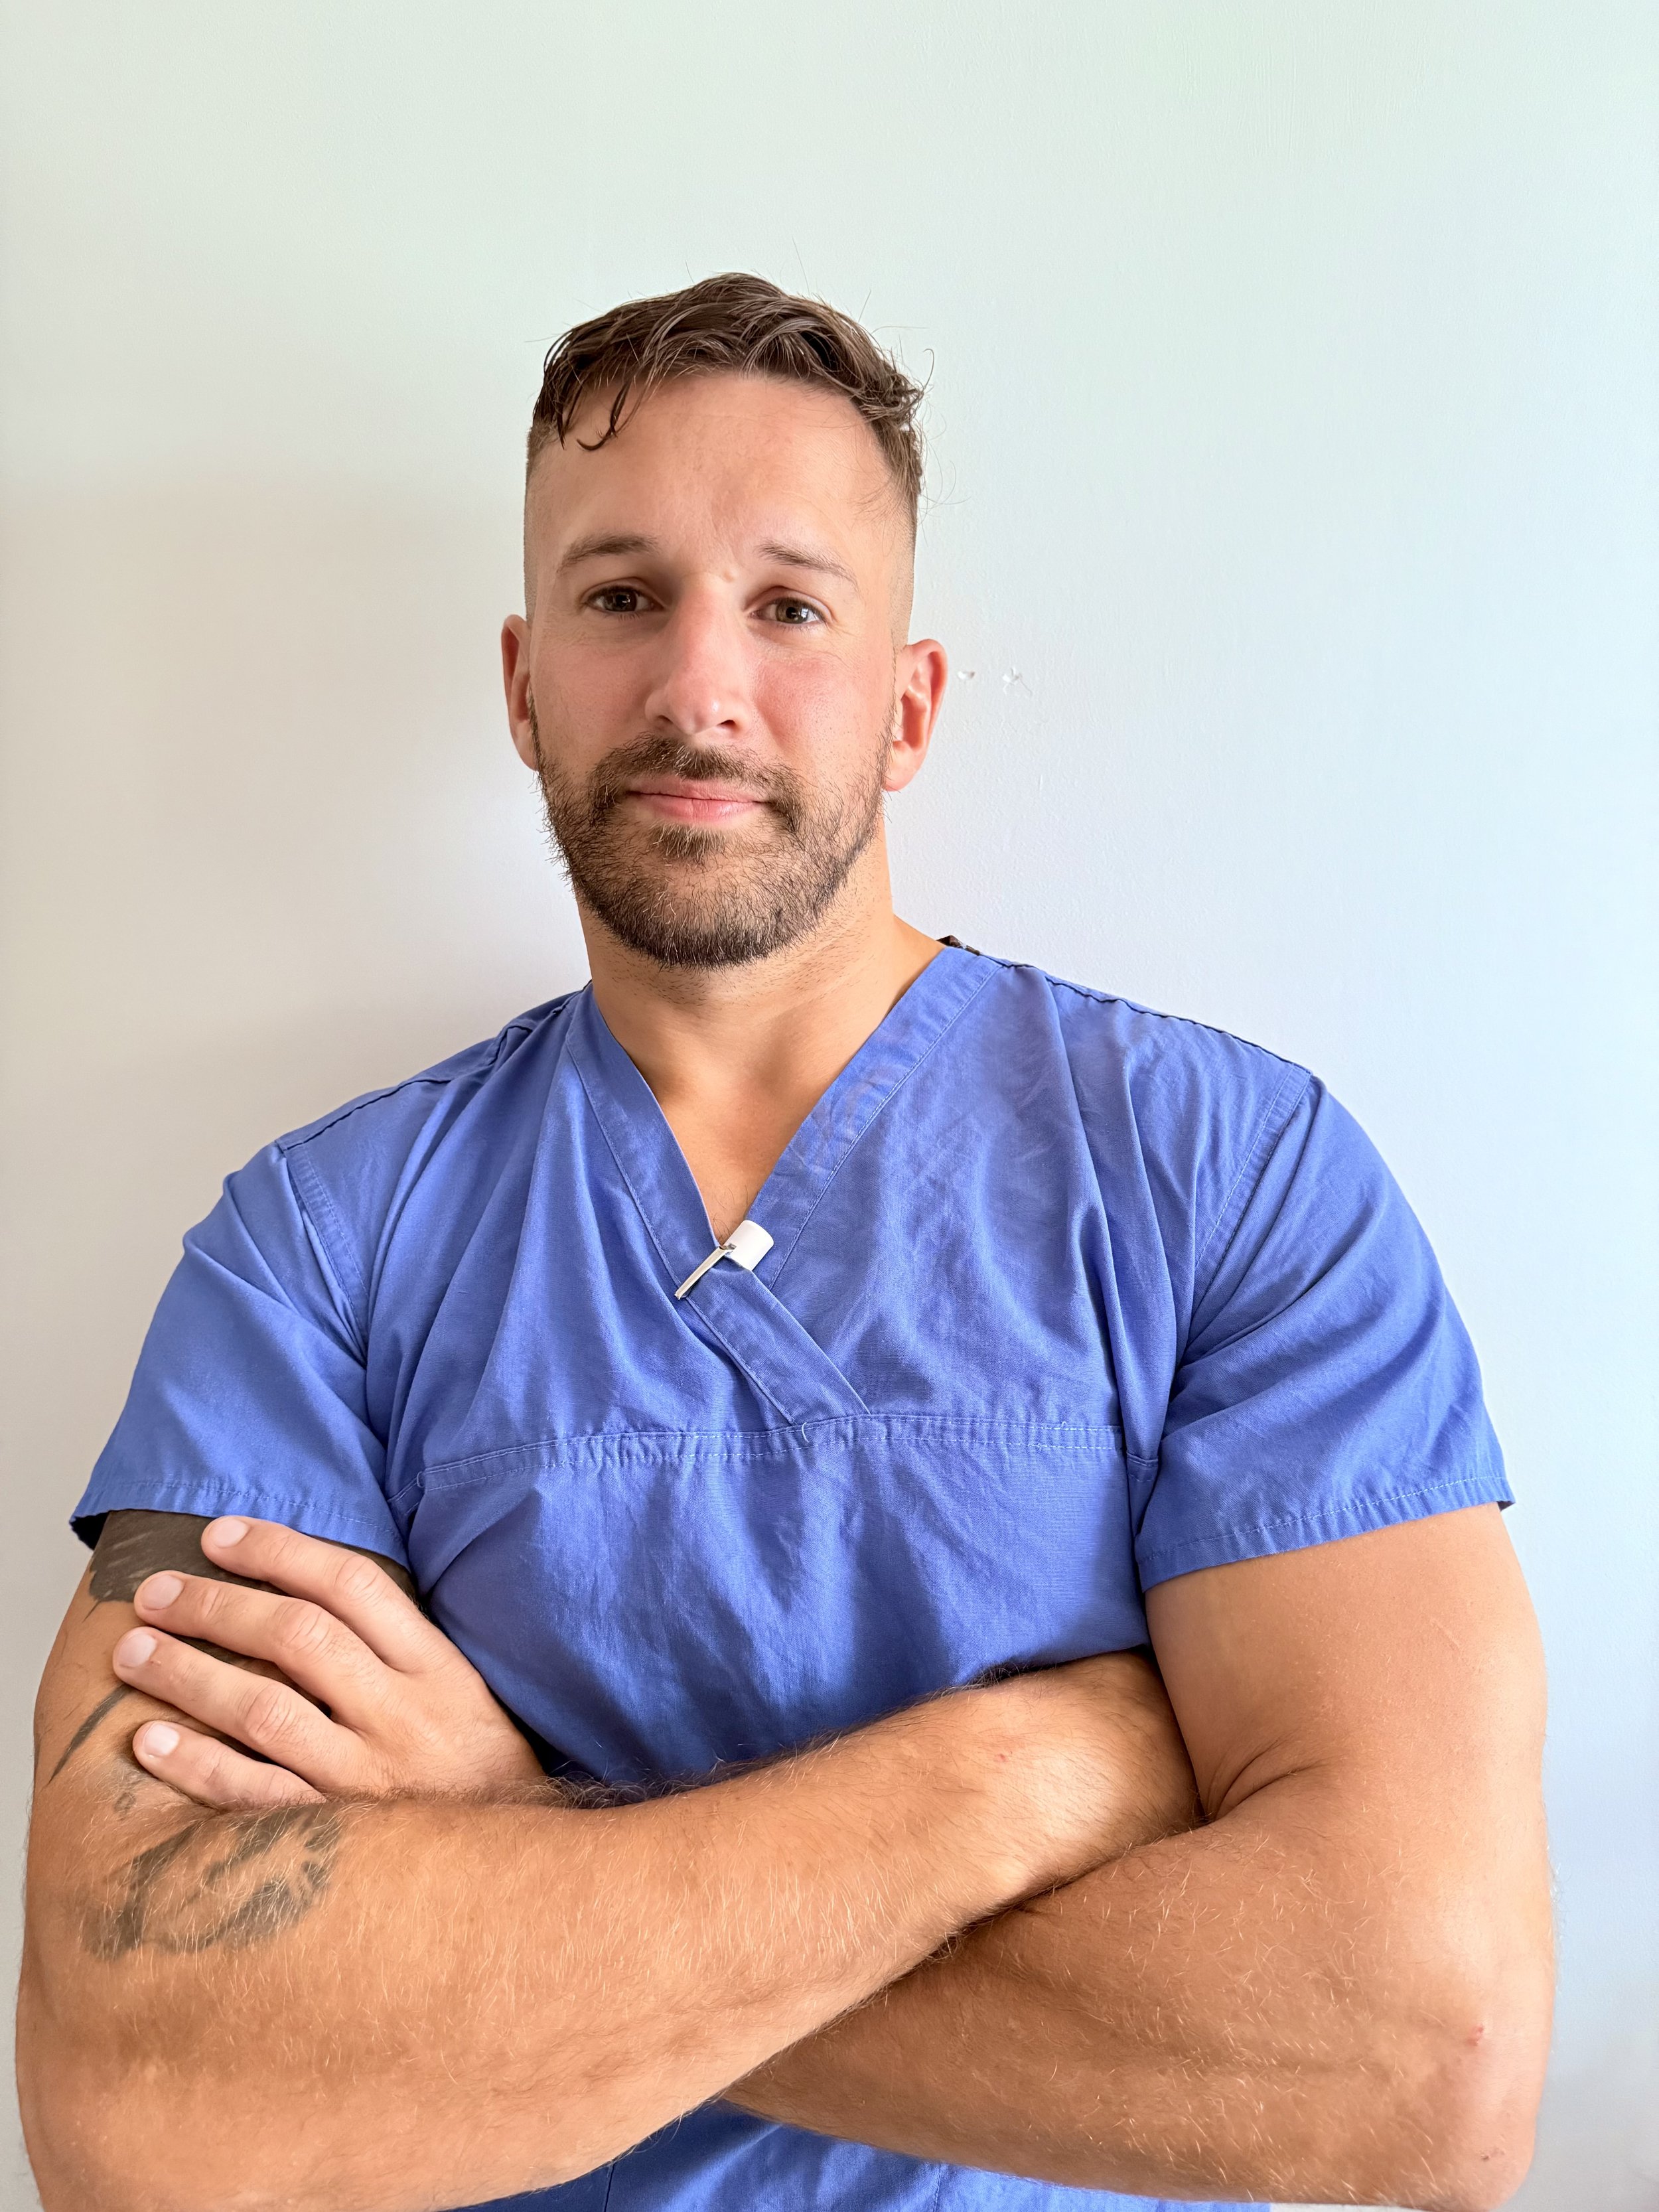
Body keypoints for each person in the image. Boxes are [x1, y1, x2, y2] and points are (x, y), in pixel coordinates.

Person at [19, 274, 1552, 2212]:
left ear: (907, 707)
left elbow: (1422, 2062)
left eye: (790, 605)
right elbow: (141, 2104)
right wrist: (1019, 1776)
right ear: (520, 683)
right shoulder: (315, 1248)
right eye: (618, 595)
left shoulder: (1224, 1181)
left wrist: (517, 1840)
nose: (697, 690)